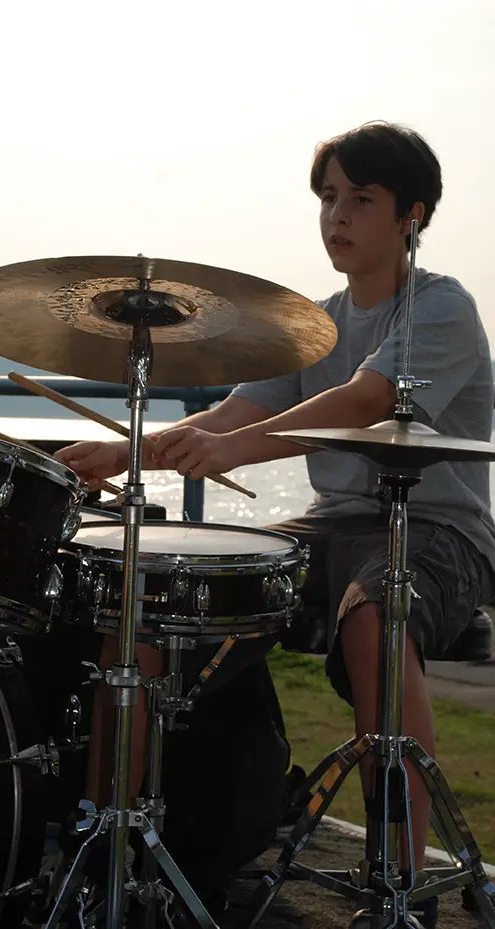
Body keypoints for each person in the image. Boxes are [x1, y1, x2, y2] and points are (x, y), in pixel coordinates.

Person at [56, 122, 495, 929]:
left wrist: (227, 444)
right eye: (328, 198)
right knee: (160, 597)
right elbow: (240, 411)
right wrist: (125, 453)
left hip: (439, 528)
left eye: (361, 199)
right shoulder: (312, 324)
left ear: (413, 216)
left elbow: (365, 400)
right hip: (334, 522)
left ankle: (399, 886)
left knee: (373, 618)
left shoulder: (442, 305)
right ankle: (114, 850)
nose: (337, 216)